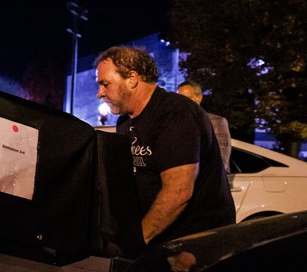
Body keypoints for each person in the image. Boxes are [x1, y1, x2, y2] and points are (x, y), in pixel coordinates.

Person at [95, 46, 235, 247]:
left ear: (132, 78)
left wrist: (137, 240)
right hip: (160, 238)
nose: (100, 93)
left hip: (195, 241)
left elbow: (178, 192)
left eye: (105, 84)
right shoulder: (124, 122)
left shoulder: (176, 112)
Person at [177, 81, 232, 173]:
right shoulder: (175, 121)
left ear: (199, 97)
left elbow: (222, 156)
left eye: (188, 98)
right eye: (180, 98)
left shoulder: (216, 122)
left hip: (207, 180)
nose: (183, 102)